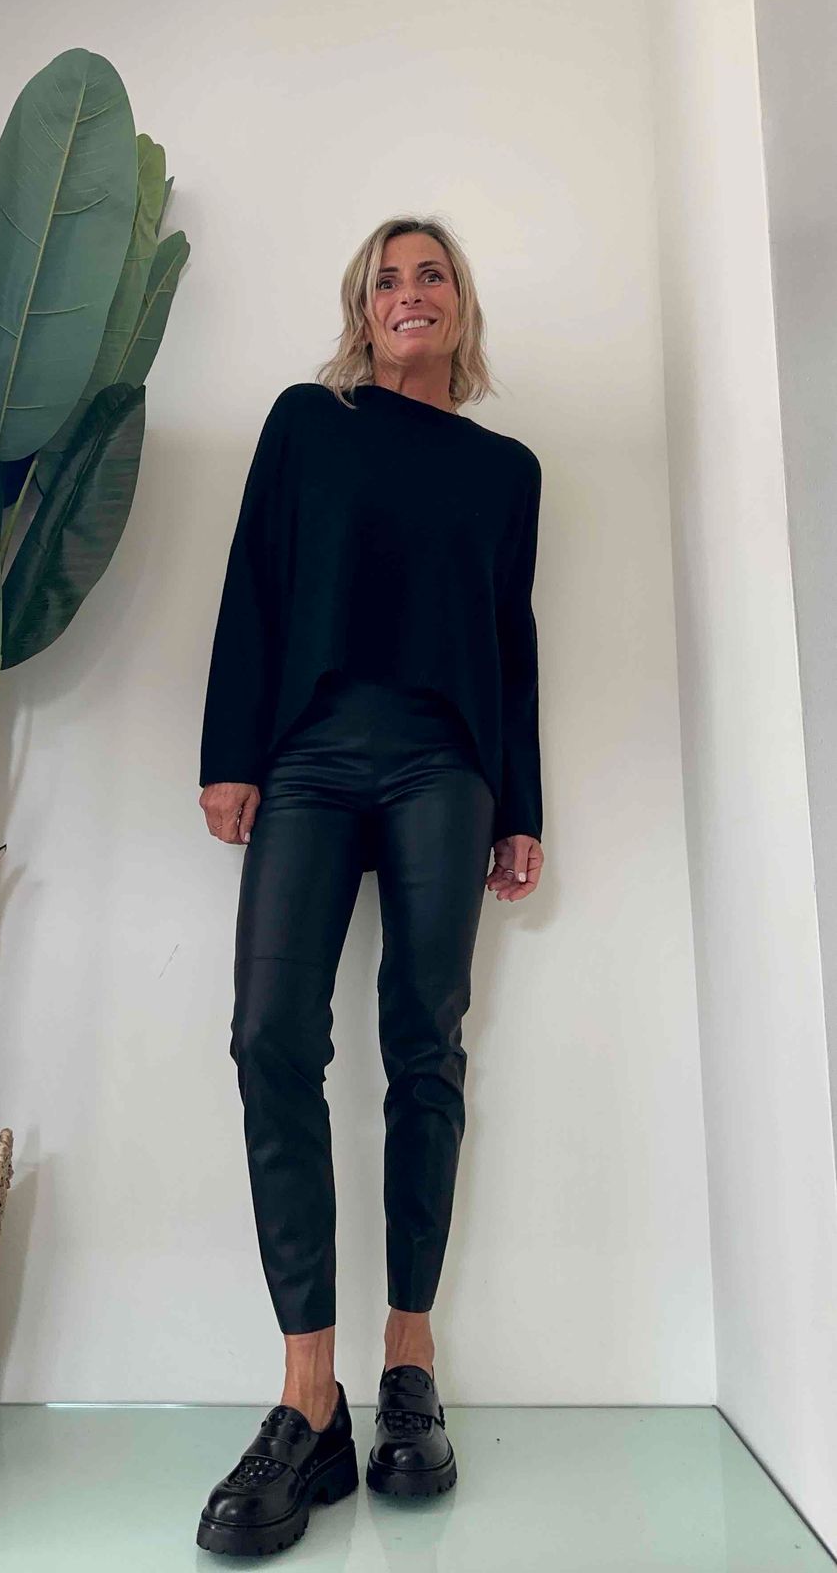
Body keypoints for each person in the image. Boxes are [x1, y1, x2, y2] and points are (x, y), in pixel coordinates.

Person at [195, 215, 544, 1557]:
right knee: (269, 1036)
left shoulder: (505, 470)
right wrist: (231, 755)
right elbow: (253, 584)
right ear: (361, 310)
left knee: (424, 1044)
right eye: (386, 279)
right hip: (310, 757)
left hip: (445, 769)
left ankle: (407, 1367)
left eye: (430, 274)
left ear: (459, 306)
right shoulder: (308, 424)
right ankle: (309, 1399)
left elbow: (510, 643)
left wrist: (521, 806)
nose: (410, 293)